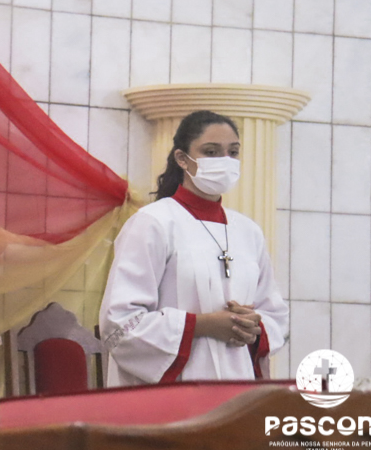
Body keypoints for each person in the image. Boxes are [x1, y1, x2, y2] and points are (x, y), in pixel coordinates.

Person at [99, 110, 289, 386]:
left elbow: (276, 315)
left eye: (233, 152)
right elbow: (120, 324)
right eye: (211, 152)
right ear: (182, 158)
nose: (224, 161)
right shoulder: (152, 223)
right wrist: (201, 325)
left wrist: (255, 326)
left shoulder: (248, 231)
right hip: (173, 393)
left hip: (237, 387)